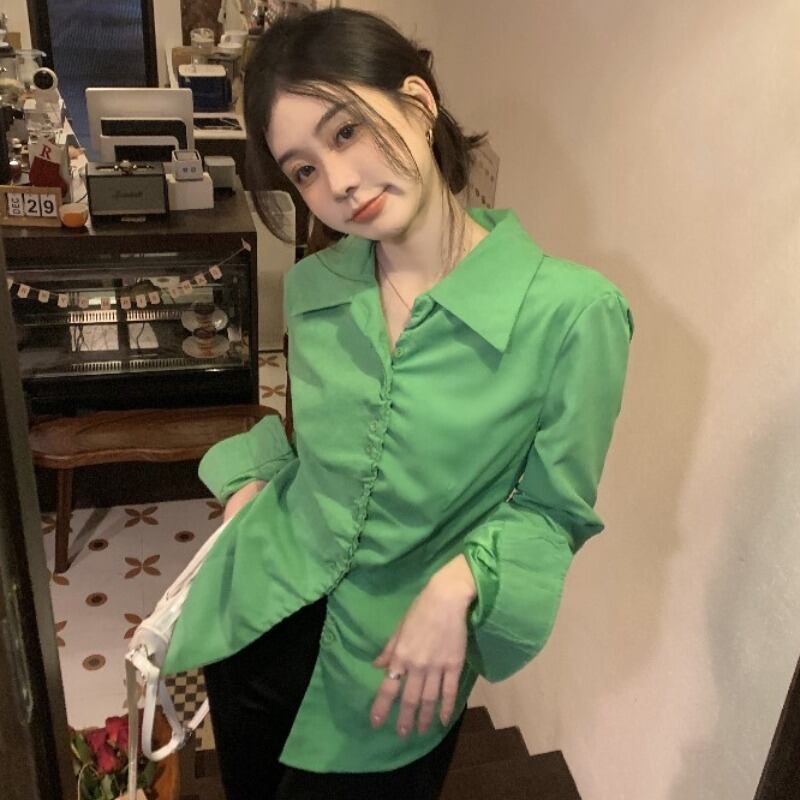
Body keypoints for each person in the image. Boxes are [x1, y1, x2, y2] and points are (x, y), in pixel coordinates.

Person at [160, 7, 634, 799]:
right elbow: (320, 450)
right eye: (304, 170)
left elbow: (555, 510)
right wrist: (252, 486)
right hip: (258, 623)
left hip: (396, 674)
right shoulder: (313, 287)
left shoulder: (574, 314)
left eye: (346, 131)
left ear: (417, 101)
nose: (338, 184)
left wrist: (461, 582)